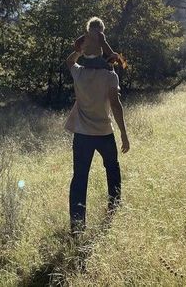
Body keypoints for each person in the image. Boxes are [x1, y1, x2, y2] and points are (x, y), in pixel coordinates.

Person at [65, 46, 130, 234]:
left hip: (82, 135)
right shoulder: (110, 76)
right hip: (104, 133)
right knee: (112, 170)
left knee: (79, 178)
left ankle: (77, 226)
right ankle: (114, 210)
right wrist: (123, 133)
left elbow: (70, 61)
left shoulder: (79, 73)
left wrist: (79, 48)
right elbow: (116, 105)